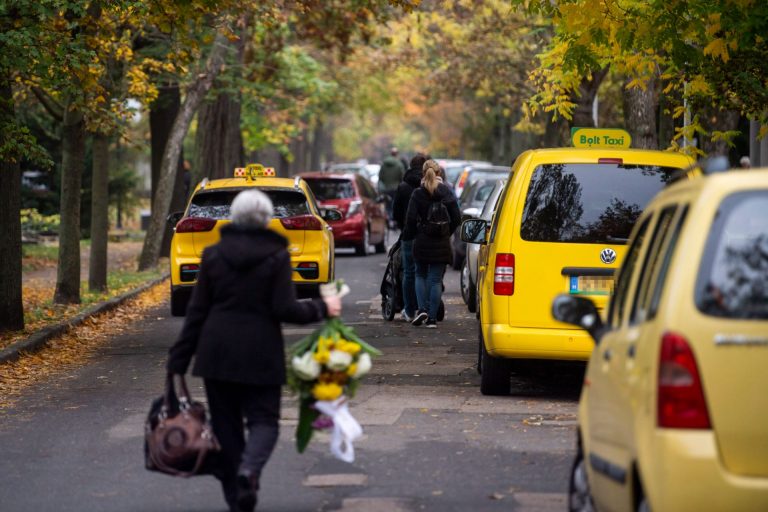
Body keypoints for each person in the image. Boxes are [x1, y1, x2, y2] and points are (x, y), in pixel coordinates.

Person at [166, 189, 342, 512]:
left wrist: (178, 358)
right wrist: (322, 307)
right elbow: (285, 309)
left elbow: (197, 312)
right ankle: (249, 470)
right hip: (261, 353)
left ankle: (237, 496)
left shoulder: (213, 255)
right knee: (265, 422)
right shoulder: (276, 256)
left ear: (233, 218)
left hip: (216, 354)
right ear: (265, 220)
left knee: (226, 427)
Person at [405, 159, 461, 328]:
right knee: (435, 279)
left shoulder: (417, 193)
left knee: (420, 275)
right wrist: (446, 233)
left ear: (423, 173)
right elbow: (457, 218)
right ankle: (432, 318)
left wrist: (412, 235)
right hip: (441, 242)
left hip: (422, 240)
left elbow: (410, 219)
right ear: (439, 174)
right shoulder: (447, 192)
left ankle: (421, 308)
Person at [392, 153, 429, 322]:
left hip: (408, 234)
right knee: (425, 272)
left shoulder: (403, 186)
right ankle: (427, 307)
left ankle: (409, 310)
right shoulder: (430, 185)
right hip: (426, 234)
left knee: (409, 272)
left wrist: (403, 227)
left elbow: (396, 213)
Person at [378, 147, 406, 220]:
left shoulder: (384, 164)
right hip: (396, 188)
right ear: (397, 154)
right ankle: (394, 219)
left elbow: (380, 176)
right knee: (395, 204)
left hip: (386, 188)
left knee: (387, 205)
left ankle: (389, 219)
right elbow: (402, 176)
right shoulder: (399, 164)